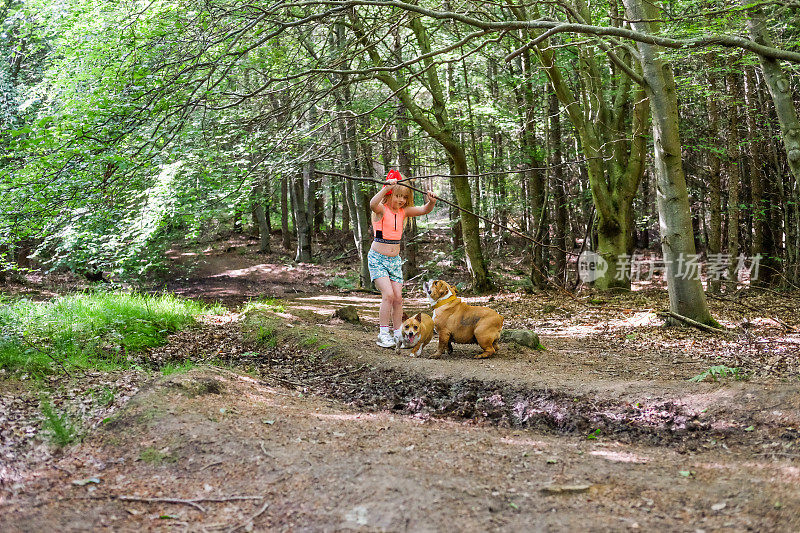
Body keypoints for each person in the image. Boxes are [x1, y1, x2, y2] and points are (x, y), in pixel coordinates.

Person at [369, 169, 436, 348]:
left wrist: (431, 202)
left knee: (398, 297)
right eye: (398, 196)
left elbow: (424, 210)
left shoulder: (403, 212)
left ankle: (398, 333)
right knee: (388, 295)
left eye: (404, 197)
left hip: (394, 260)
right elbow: (372, 203)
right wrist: (385, 189)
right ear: (390, 194)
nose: (401, 200)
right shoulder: (381, 209)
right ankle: (383, 333)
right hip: (377, 259)